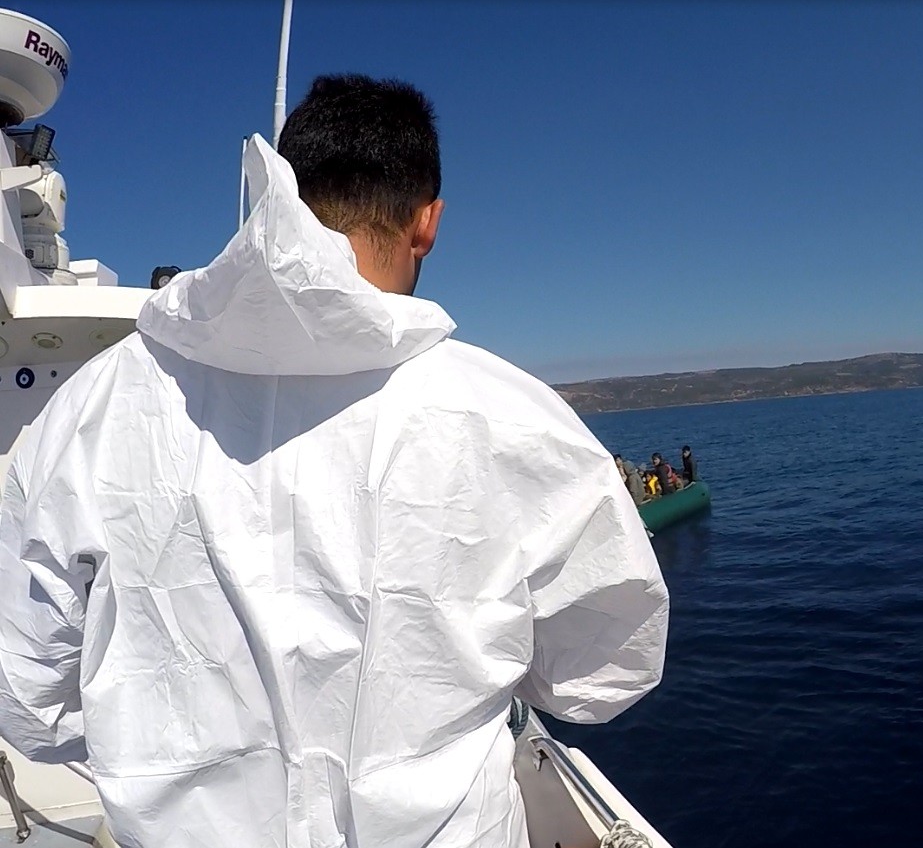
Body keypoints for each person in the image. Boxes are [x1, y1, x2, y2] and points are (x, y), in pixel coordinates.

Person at [0, 75, 668, 848]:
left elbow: (28, 696)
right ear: (428, 221)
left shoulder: (93, 408)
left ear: (281, 193)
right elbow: (602, 678)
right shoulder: (514, 418)